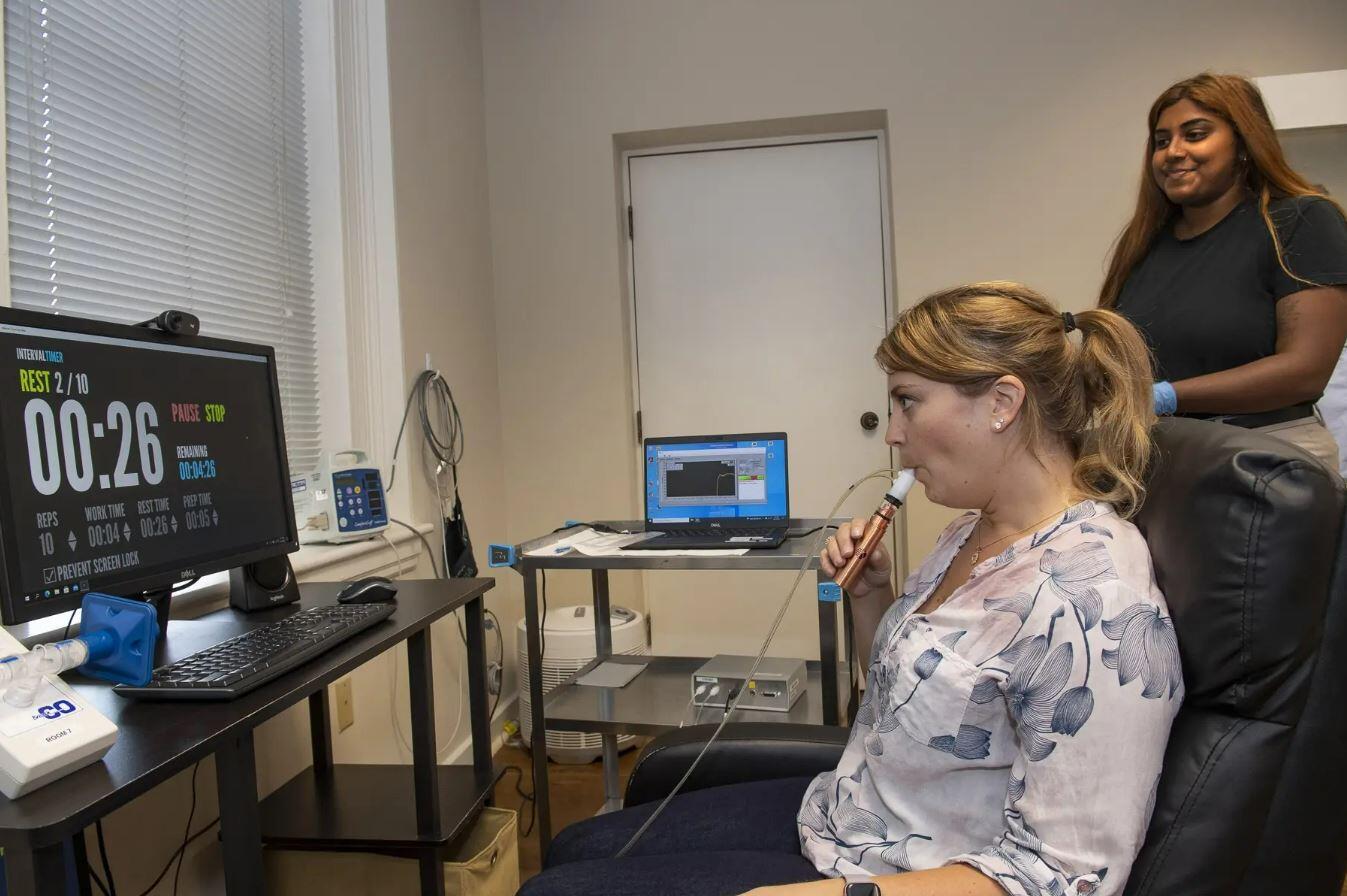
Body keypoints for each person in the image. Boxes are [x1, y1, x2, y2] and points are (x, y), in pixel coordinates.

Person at [519, 282, 1183, 896]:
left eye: (907, 402)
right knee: (577, 847)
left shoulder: (1093, 606)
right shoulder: (969, 534)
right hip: (843, 818)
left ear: (1002, 404)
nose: (892, 433)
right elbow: (900, 706)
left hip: (901, 876)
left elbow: (1061, 878)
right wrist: (873, 595)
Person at [1100, 72, 1347, 469]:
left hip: (1265, 458)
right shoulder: (1146, 243)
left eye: (1194, 134)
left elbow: (1305, 371)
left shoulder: (1300, 220)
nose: (1173, 152)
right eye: (1162, 142)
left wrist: (1166, 396)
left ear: (1244, 145)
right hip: (1164, 456)